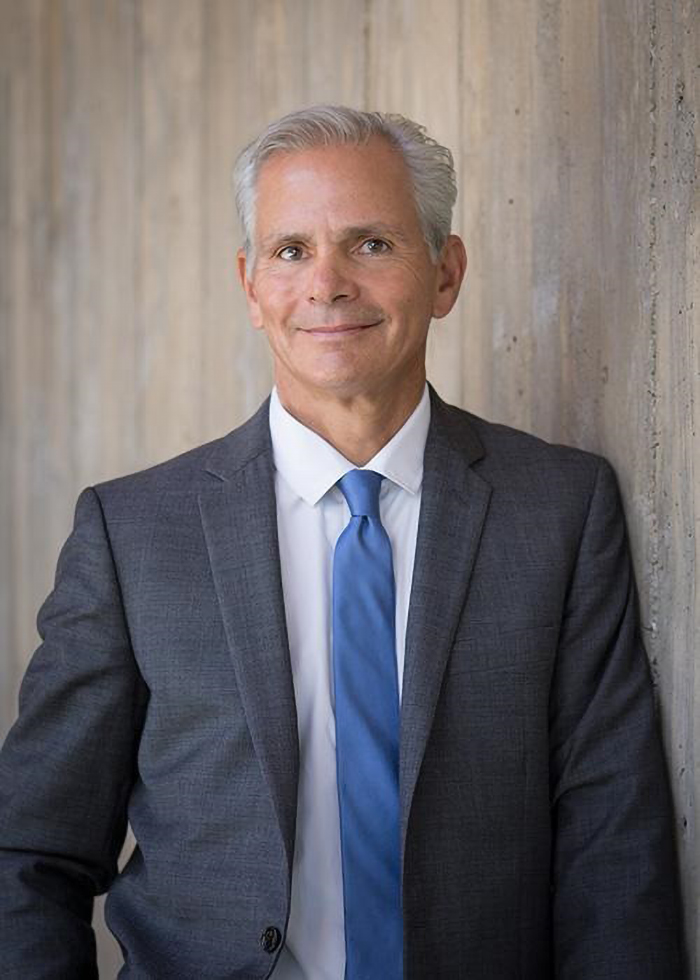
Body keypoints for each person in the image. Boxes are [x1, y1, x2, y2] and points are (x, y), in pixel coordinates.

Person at [0, 105, 685, 979]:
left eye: (371, 244)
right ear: (250, 285)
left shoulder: (558, 510)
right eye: (291, 251)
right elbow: (31, 852)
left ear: (446, 273)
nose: (326, 284)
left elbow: (613, 847)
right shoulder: (134, 535)